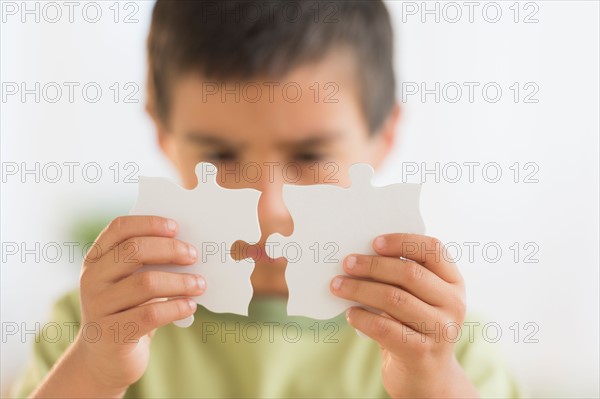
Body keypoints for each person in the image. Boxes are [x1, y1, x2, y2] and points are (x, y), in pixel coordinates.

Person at [11, 1, 521, 397]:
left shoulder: (436, 341)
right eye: (220, 154)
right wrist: (96, 373)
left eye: (310, 155)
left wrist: (433, 384)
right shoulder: (101, 326)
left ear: (384, 138)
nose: (268, 207)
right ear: (163, 134)